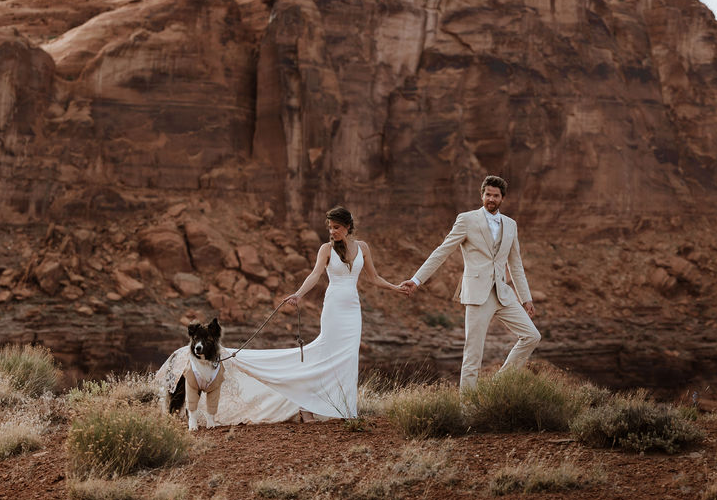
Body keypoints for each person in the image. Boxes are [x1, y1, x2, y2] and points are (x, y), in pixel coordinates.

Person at [155, 206, 404, 425]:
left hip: (353, 310)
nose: (332, 232)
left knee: (348, 357)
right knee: (324, 355)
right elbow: (315, 275)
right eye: (329, 227)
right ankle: (307, 407)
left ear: (348, 226)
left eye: (336, 227)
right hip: (334, 309)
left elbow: (374, 278)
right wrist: (297, 294)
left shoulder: (363, 248)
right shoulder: (326, 249)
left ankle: (346, 409)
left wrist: (396, 287)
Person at [400, 175, 539, 390]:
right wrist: (417, 280)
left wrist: (526, 298)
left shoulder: (511, 225)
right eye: (487, 194)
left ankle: (498, 385)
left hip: (503, 293)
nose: (491, 199)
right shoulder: (466, 219)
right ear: (481, 195)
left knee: (531, 336)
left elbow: (516, 265)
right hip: (477, 294)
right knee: (473, 354)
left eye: (495, 195)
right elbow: (442, 251)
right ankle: (468, 409)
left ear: (502, 198)